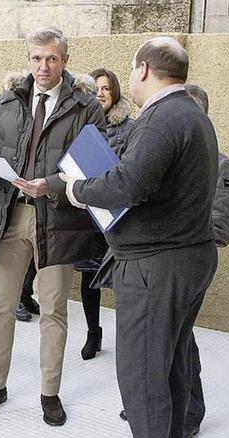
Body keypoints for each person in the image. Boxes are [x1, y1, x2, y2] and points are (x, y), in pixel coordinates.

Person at [61, 37, 219, 438]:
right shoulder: (193, 114)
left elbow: (131, 183)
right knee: (169, 365)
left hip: (156, 265)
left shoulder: (162, 117)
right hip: (188, 257)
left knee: (143, 373)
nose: (129, 77)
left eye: (132, 70)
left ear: (144, 69)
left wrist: (80, 189)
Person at [0, 27, 105, 427]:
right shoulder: (9, 101)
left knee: (54, 310)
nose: (43, 66)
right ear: (28, 58)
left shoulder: (84, 107)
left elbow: (92, 166)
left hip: (58, 218)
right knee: (1, 307)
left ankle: (50, 392)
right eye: (36, 58)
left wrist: (54, 184)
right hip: (10, 214)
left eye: (51, 58)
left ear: (64, 59)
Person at [117, 83, 229, 438]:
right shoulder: (165, 153)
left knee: (181, 350)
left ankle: (188, 414)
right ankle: (160, 418)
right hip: (162, 261)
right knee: (169, 349)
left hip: (180, 263)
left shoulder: (219, 162)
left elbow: (221, 224)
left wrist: (181, 233)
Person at [76, 68, 135, 360]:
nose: (100, 93)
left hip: (118, 216)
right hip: (89, 213)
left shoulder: (129, 128)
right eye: (96, 88)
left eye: (106, 88)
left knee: (124, 280)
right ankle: (93, 333)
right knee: (89, 277)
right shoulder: (81, 124)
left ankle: (128, 338)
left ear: (115, 94)